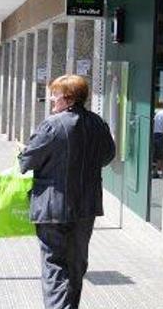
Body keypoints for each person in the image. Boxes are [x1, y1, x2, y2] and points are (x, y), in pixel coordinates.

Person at [19, 75, 115, 309]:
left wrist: (24, 153)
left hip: (53, 207)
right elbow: (108, 156)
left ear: (69, 98)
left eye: (55, 94)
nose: (51, 98)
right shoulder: (98, 123)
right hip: (86, 207)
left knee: (54, 267)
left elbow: (27, 161)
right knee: (76, 266)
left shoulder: (52, 125)